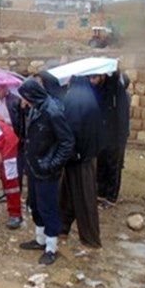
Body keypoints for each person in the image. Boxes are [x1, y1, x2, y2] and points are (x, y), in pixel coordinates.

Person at [18, 78, 74, 265]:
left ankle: (51, 247)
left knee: (48, 207)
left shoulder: (53, 111)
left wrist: (52, 165)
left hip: (46, 168)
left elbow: (67, 142)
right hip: (35, 166)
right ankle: (40, 239)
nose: (23, 101)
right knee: (35, 203)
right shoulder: (36, 108)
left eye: (24, 97)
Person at [59, 76, 103, 248]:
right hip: (84, 154)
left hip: (79, 157)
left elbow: (71, 128)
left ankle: (91, 238)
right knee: (67, 194)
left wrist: (73, 153)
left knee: (84, 198)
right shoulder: (88, 96)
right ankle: (62, 227)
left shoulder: (74, 99)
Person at [97, 72, 131, 206]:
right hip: (107, 137)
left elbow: (121, 120)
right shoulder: (110, 95)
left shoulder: (121, 96)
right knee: (104, 164)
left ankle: (111, 197)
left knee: (113, 167)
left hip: (116, 138)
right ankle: (102, 192)